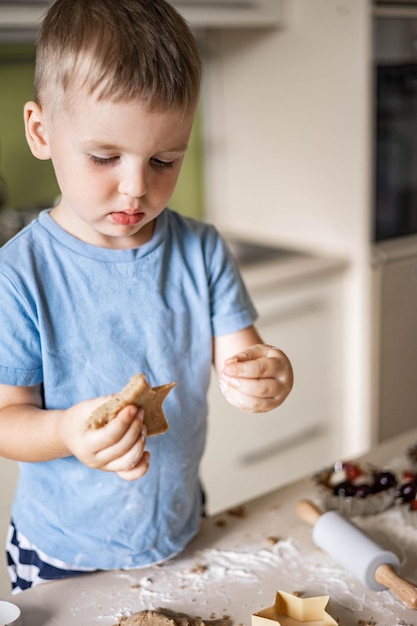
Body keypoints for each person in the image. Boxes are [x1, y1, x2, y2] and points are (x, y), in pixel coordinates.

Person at [0, 0, 293, 594]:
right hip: (60, 551)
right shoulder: (20, 274)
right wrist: (66, 434)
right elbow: (6, 419)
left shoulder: (202, 251)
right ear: (41, 131)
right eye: (105, 157)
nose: (137, 187)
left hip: (179, 528)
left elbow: (245, 358)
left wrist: (269, 374)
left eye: (164, 159)